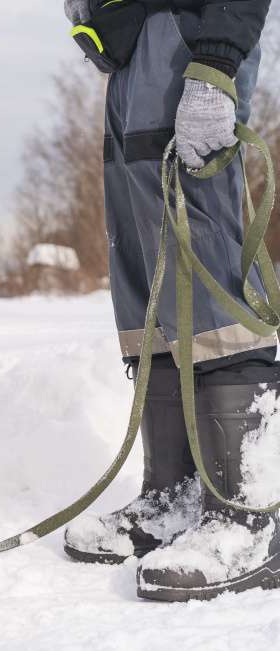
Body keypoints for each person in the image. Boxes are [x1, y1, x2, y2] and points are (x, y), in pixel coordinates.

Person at [60, 0, 279, 601]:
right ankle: (174, 499)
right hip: (135, 44)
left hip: (197, 32)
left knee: (200, 251)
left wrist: (217, 64)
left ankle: (247, 515)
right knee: (142, 259)